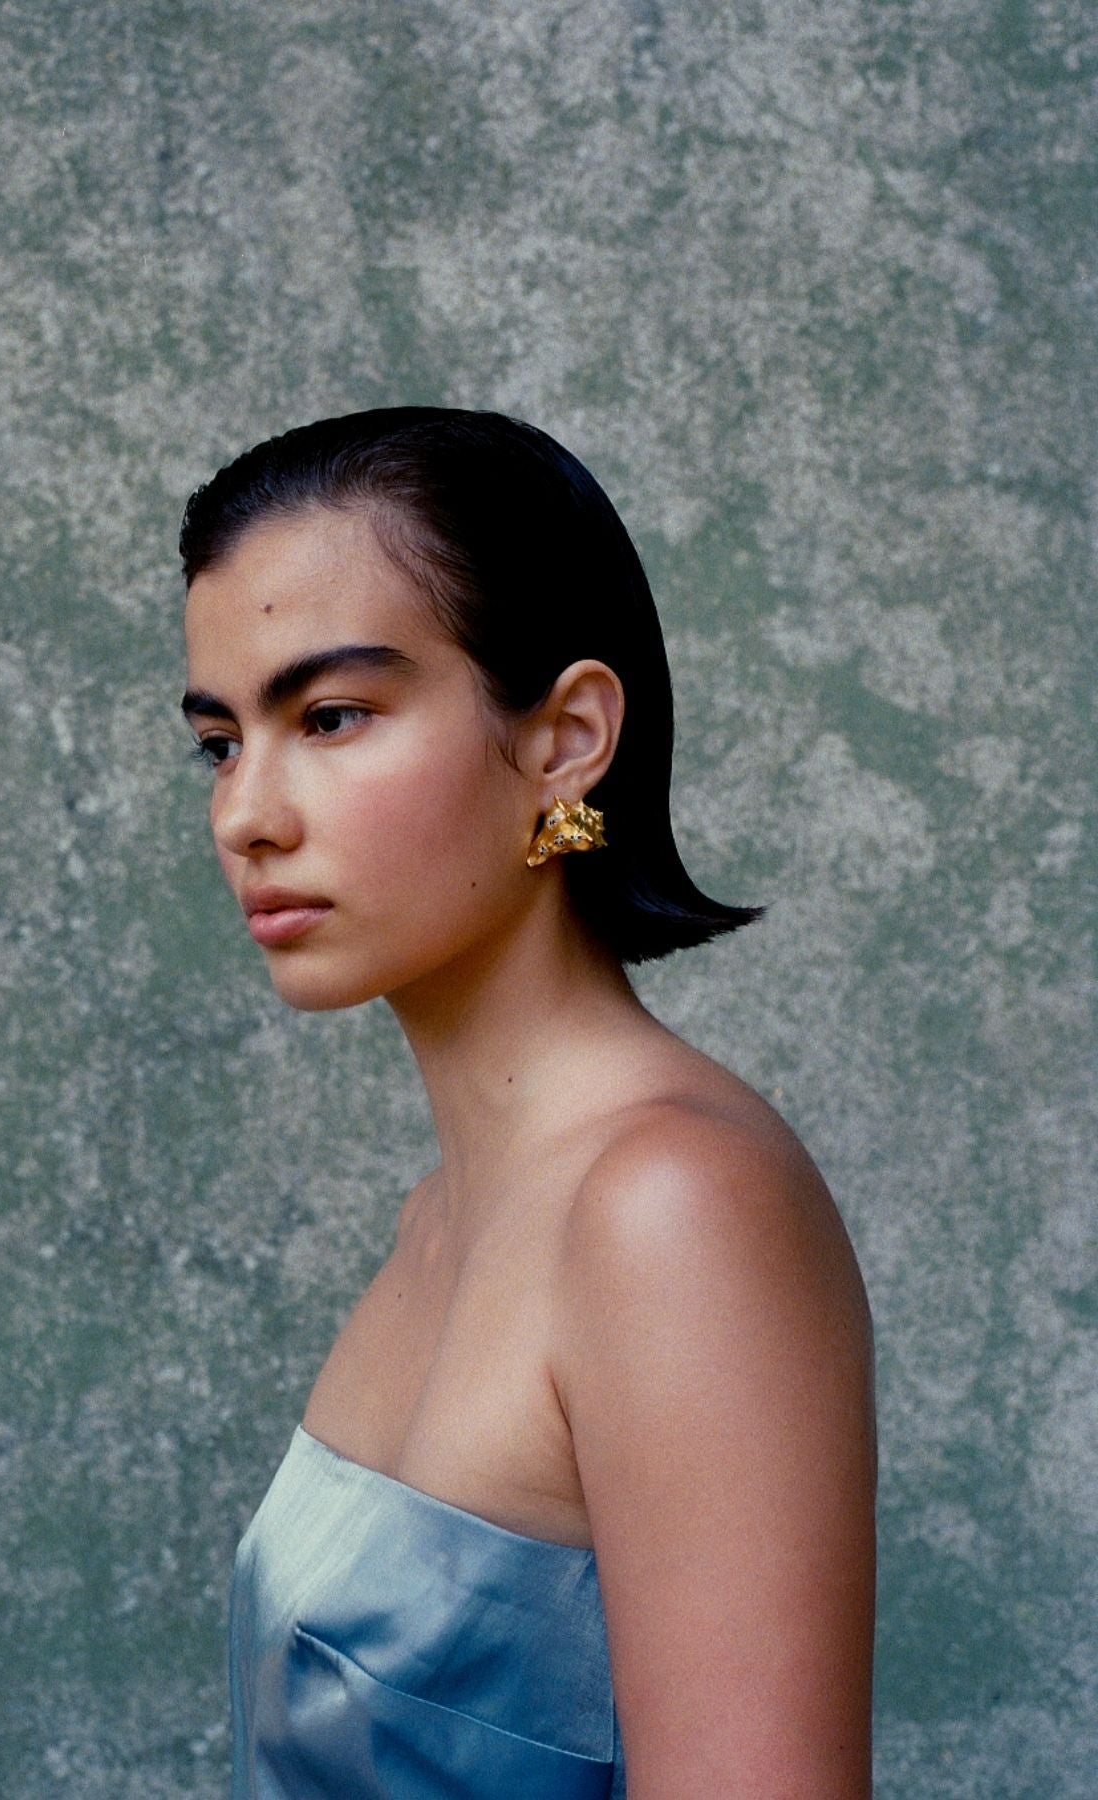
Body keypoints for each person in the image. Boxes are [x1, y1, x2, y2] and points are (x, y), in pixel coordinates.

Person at [179, 407, 876, 1799]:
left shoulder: (670, 1209)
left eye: (329, 717)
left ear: (565, 740)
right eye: (220, 741)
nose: (246, 813)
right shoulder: (442, 1215)